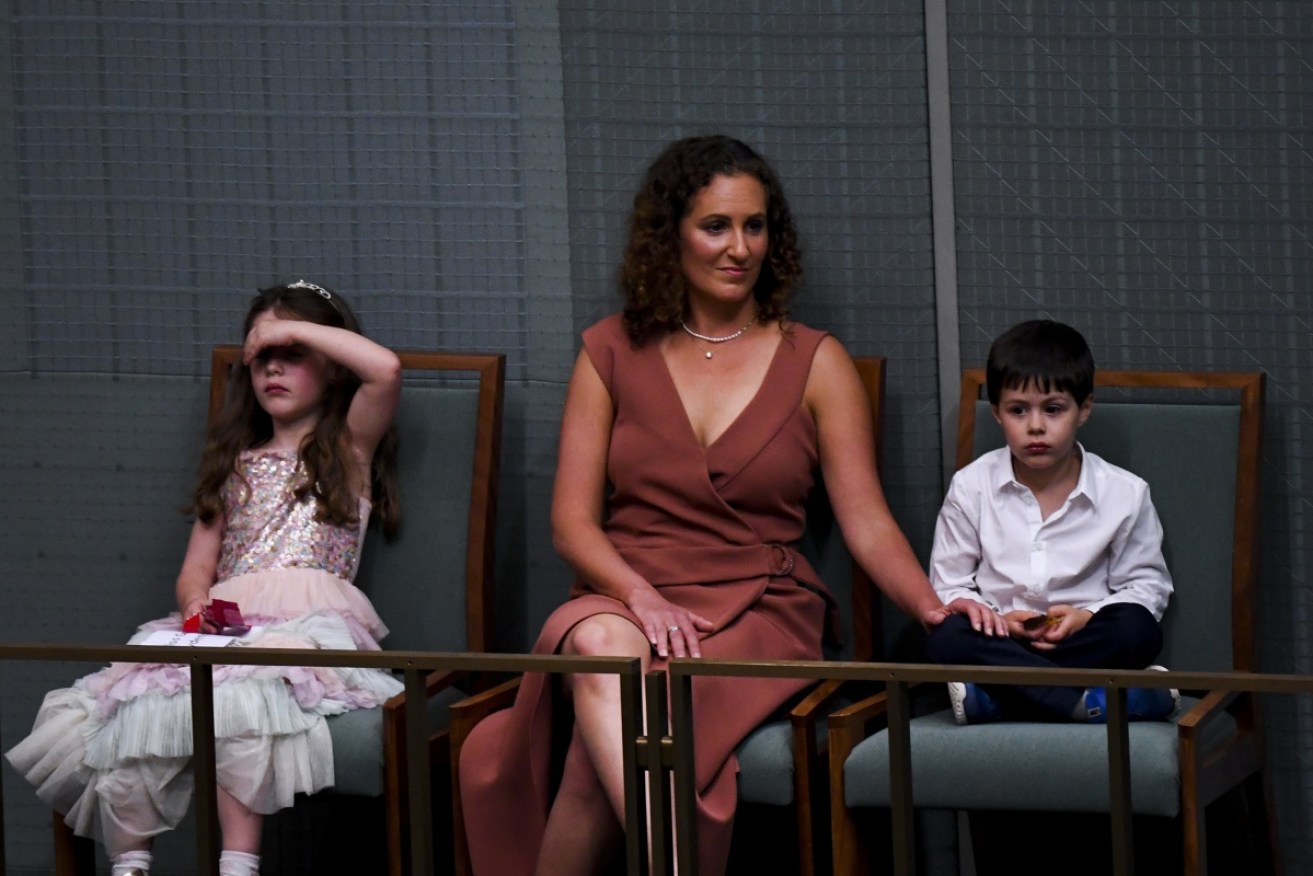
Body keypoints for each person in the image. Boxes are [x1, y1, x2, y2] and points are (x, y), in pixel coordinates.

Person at [457, 135, 966, 876]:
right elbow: (570, 522)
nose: (739, 248)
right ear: (671, 235)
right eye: (716, 226)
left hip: (763, 604)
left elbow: (864, 519)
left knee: (591, 769)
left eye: (754, 226)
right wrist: (640, 594)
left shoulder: (814, 360)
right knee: (604, 651)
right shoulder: (607, 350)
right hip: (625, 592)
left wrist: (931, 608)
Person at [5, 282, 404, 876]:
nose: (273, 365)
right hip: (224, 624)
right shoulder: (233, 468)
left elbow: (385, 368)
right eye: (262, 356)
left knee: (242, 699)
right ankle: (130, 862)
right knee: (137, 701)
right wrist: (198, 607)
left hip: (305, 625)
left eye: (291, 352)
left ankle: (236, 865)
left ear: (332, 368)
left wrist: (284, 328)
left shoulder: (347, 451)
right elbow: (197, 568)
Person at [926, 319, 1178, 724]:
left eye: (1053, 409)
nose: (1036, 426)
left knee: (1138, 629)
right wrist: (996, 619)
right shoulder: (971, 486)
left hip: (1082, 643)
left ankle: (999, 699)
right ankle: (1086, 703)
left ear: (1085, 410)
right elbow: (948, 584)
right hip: (1001, 641)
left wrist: (1089, 616)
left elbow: (1146, 586)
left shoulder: (1125, 492)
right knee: (947, 635)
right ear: (996, 413)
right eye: (1018, 410)